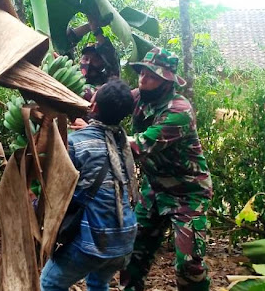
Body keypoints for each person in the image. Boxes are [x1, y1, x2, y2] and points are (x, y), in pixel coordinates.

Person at [121, 48, 213, 291]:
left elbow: (141, 145)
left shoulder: (179, 110)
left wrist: (105, 134)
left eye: (151, 75)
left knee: (189, 265)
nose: (143, 78)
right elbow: (107, 100)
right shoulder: (139, 97)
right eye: (142, 72)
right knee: (131, 255)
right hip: (154, 188)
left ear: (167, 80)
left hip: (187, 193)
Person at [40, 79, 138, 291]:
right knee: (98, 282)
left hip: (95, 240)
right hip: (125, 238)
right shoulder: (123, 142)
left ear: (93, 107)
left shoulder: (77, 143)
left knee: (49, 283)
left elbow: (55, 188)